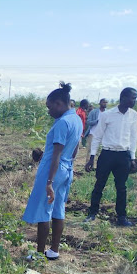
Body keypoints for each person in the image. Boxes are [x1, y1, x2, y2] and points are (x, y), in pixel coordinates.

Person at [22, 83, 83, 261]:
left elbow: (56, 154)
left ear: (58, 104)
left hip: (53, 170)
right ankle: (54, 250)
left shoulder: (63, 123)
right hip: (67, 168)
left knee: (44, 210)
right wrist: (68, 164)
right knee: (58, 209)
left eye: (50, 107)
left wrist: (49, 182)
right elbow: (75, 148)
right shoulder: (76, 119)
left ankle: (39, 254)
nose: (49, 111)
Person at [85, 87, 137, 226]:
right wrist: (92, 157)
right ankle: (92, 213)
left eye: (135, 98)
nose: (134, 101)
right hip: (107, 154)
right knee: (99, 185)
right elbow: (97, 136)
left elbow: (133, 137)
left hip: (123, 156)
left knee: (121, 187)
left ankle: (121, 217)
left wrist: (132, 158)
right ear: (123, 98)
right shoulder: (107, 115)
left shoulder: (133, 115)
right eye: (132, 98)